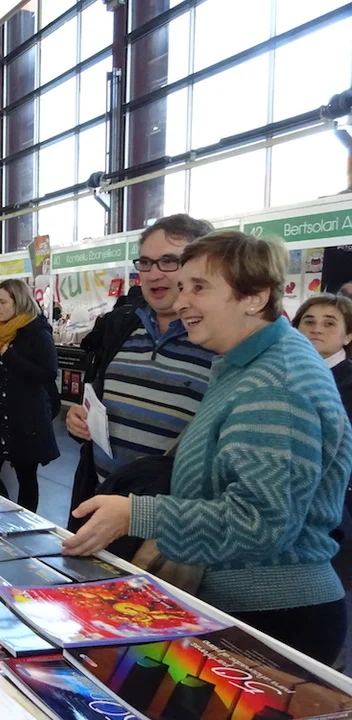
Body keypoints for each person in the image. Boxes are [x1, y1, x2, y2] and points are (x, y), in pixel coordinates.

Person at [65, 231, 352, 666]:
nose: (182, 301)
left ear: (255, 297)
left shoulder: (276, 382)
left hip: (271, 616)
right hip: (238, 603)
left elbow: (263, 522)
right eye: (182, 287)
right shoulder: (248, 363)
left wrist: (136, 514)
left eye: (199, 287)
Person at [65, 214, 216, 529]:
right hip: (97, 504)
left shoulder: (217, 341)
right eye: (146, 263)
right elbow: (99, 399)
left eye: (168, 262)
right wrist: (80, 420)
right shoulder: (122, 326)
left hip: (167, 526)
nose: (153, 274)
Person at [0, 279, 59, 512]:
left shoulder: (36, 331)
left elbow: (48, 373)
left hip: (25, 418)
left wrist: (11, 358)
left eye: (2, 302)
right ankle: (8, 513)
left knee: (26, 477)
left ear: (19, 302)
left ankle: (26, 522)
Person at [293, 293, 352, 590]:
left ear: (348, 335)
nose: (317, 329)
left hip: (334, 512)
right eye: (309, 321)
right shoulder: (285, 375)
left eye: (329, 323)